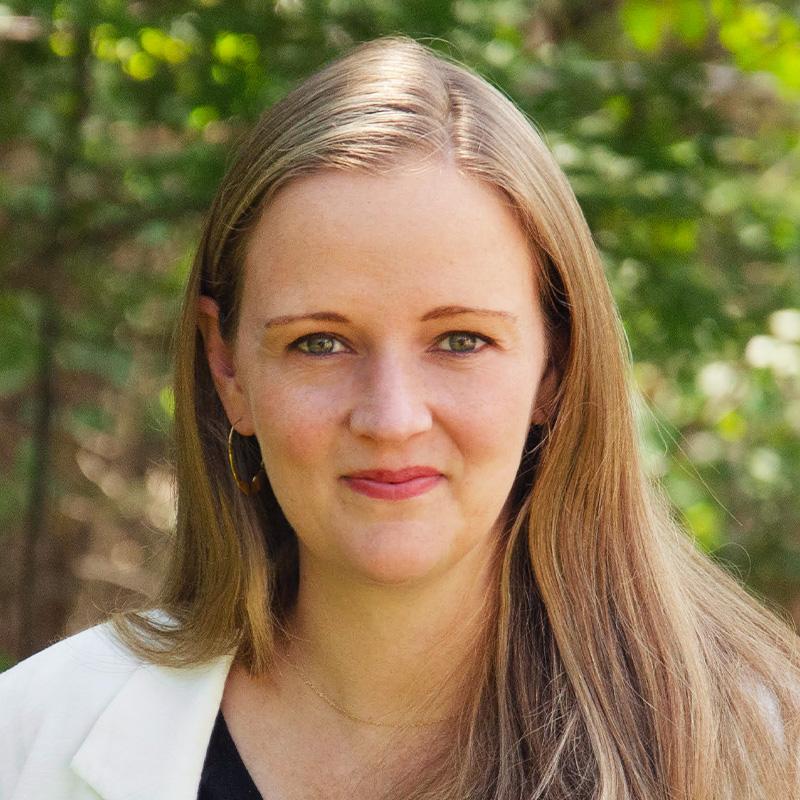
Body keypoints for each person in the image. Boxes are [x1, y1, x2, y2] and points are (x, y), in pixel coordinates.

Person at [1, 33, 799, 800]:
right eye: (319, 342)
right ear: (227, 367)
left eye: (460, 340)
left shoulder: (761, 752)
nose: (391, 416)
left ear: (554, 366)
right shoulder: (32, 740)